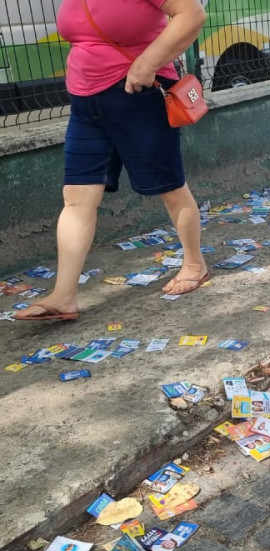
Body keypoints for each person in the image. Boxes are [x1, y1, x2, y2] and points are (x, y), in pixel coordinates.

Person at [15, 0, 208, 322]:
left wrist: (147, 63)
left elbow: (192, 13)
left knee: (169, 187)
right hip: (85, 105)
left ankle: (194, 264)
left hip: (138, 96)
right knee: (76, 197)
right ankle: (64, 296)